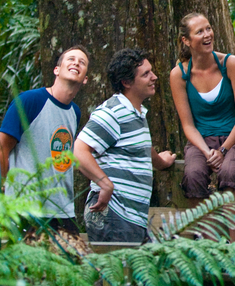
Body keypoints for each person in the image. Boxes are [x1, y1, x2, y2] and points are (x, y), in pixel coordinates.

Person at [73, 48, 176, 243]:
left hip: (131, 218)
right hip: (113, 213)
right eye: (146, 74)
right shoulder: (113, 111)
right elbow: (79, 150)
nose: (154, 77)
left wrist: (161, 161)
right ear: (126, 82)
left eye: (151, 71)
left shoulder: (136, 113)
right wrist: (104, 183)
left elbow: (140, 148)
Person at [170, 12, 235, 241]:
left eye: (208, 28)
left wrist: (223, 150)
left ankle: (233, 245)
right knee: (193, 173)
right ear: (186, 40)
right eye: (200, 31)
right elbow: (188, 125)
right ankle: (208, 241)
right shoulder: (179, 75)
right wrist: (207, 152)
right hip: (201, 140)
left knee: (230, 171)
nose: (207, 34)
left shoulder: (230, 64)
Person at [0, 46, 90, 234]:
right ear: (56, 70)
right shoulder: (30, 101)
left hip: (63, 209)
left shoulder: (74, 112)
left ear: (85, 79)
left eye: (82, 62)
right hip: (27, 208)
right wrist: (2, 188)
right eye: (70, 59)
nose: (76, 62)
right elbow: (0, 150)